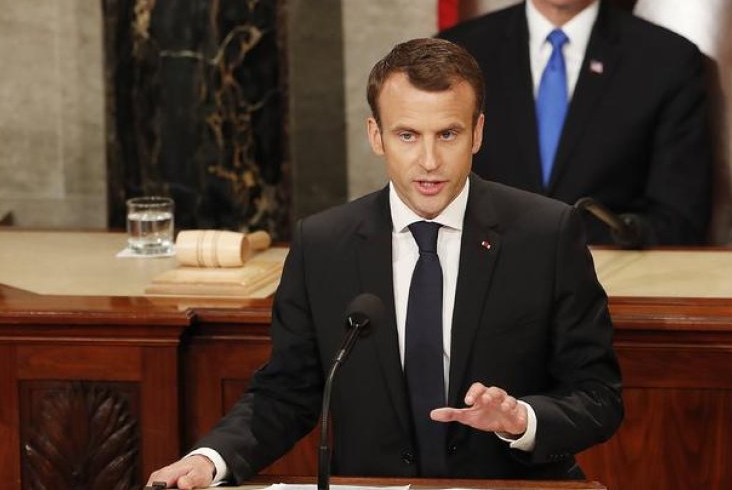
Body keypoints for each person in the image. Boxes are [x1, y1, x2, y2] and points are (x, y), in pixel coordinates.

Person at [147, 38, 622, 487]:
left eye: (448, 133)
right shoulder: (323, 244)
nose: (429, 160)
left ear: (477, 132)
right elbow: (285, 393)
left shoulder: (545, 235)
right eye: (408, 135)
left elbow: (599, 396)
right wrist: (208, 460)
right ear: (376, 135)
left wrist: (523, 420)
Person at [440, 0, 711, 247]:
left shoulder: (666, 62)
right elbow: (432, 193)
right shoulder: (457, 55)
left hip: (609, 278)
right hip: (482, 272)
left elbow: (678, 218)